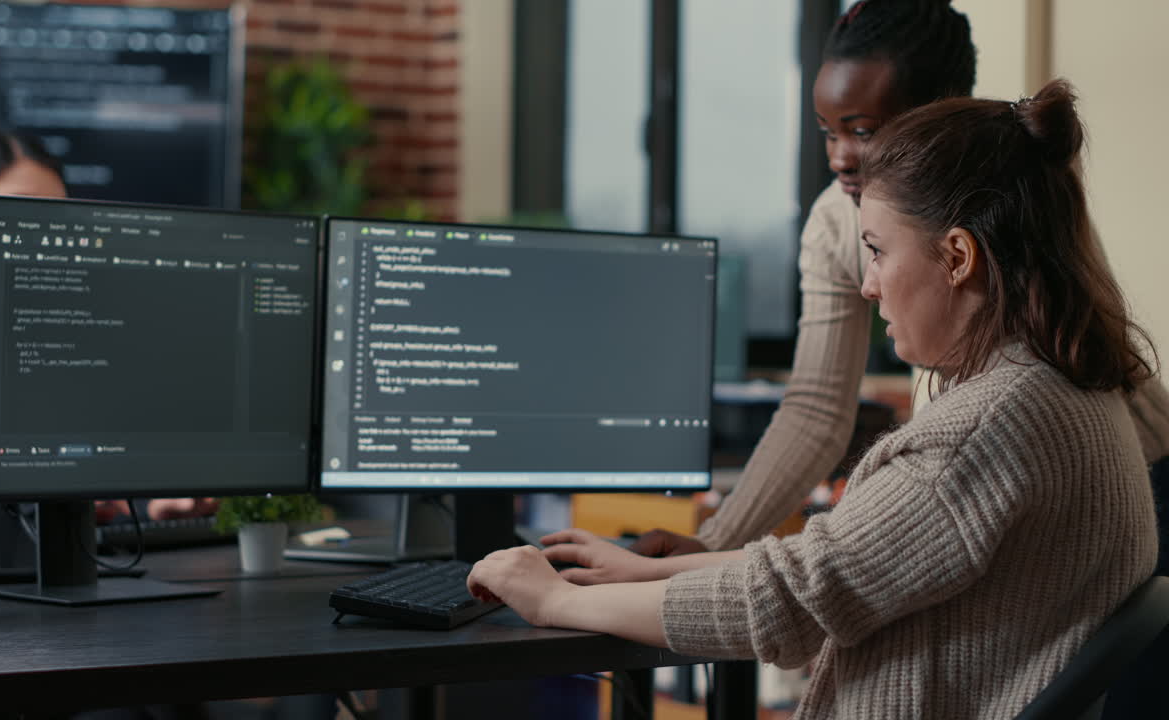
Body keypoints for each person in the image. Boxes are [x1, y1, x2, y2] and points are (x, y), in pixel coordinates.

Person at [468, 79, 1159, 718]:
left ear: (957, 257)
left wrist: (556, 599)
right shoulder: (1065, 392)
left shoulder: (986, 431)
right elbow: (827, 567)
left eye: (878, 251)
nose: (868, 284)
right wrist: (652, 569)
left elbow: (786, 602)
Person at [629, 0, 1169, 565]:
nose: (840, 157)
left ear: (942, 115)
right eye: (827, 132)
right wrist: (717, 539)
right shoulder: (834, 222)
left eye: (862, 131)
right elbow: (816, 408)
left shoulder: (1012, 193)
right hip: (1007, 473)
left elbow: (1026, 375)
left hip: (1119, 473)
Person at [0, 129, 215, 528]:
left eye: (56, 217)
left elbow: (121, 459)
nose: (44, 236)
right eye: (21, 212)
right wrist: (41, 506)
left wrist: (150, 505)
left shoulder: (93, 339)